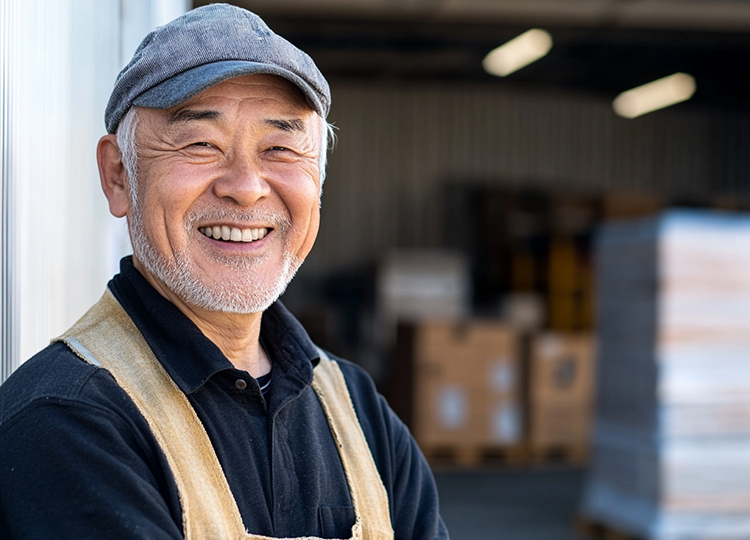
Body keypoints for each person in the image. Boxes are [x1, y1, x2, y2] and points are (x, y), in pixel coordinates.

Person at [0, 4, 449, 539]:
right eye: (200, 145)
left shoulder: (360, 412)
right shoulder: (67, 421)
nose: (245, 185)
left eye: (280, 148)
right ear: (119, 176)